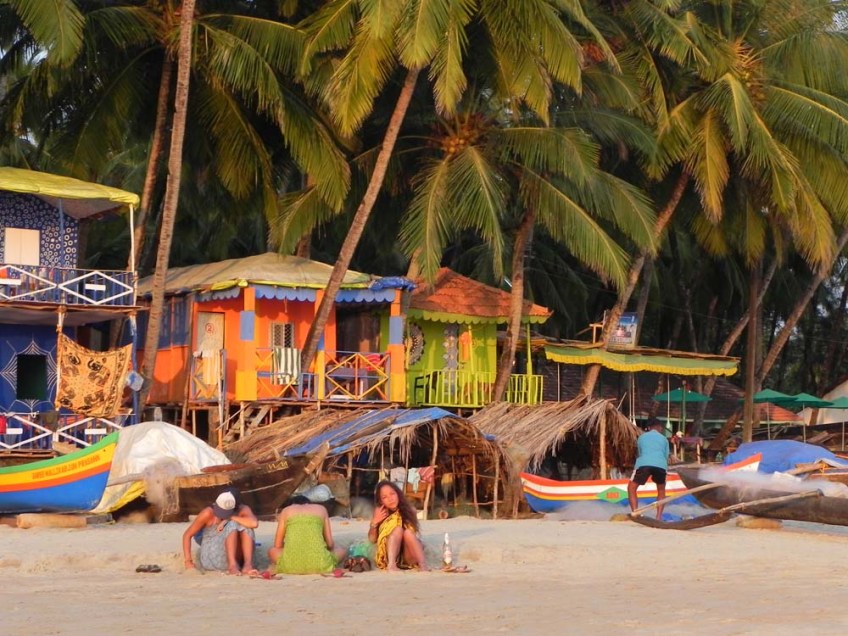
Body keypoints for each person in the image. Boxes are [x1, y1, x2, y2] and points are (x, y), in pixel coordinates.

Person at [182, 488, 258, 575]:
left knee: (246, 525)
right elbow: (187, 535)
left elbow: (254, 523)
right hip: (213, 557)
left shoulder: (242, 509)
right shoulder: (208, 513)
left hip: (238, 558)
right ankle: (232, 566)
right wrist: (188, 561)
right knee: (232, 524)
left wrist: (230, 518)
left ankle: (247, 565)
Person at [268, 495, 347, 575]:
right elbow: (330, 544)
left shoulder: (286, 511)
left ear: (292, 504)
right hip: (321, 564)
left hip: (290, 566)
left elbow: (277, 545)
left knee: (272, 551)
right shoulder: (321, 509)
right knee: (341, 550)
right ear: (309, 503)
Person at [368, 480, 428, 571]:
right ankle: (392, 565)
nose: (390, 499)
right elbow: (372, 540)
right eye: (385, 497)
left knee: (408, 533)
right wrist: (374, 522)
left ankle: (423, 565)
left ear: (398, 494)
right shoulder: (380, 513)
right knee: (398, 530)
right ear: (381, 501)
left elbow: (413, 534)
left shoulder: (410, 510)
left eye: (392, 494)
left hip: (408, 556)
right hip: (389, 554)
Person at [628, 419, 670, 519]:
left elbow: (640, 453)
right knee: (661, 490)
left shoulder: (642, 437)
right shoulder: (664, 439)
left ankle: (635, 513)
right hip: (660, 465)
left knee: (631, 488)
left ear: (649, 428)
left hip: (644, 464)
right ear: (660, 428)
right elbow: (666, 456)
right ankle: (658, 517)